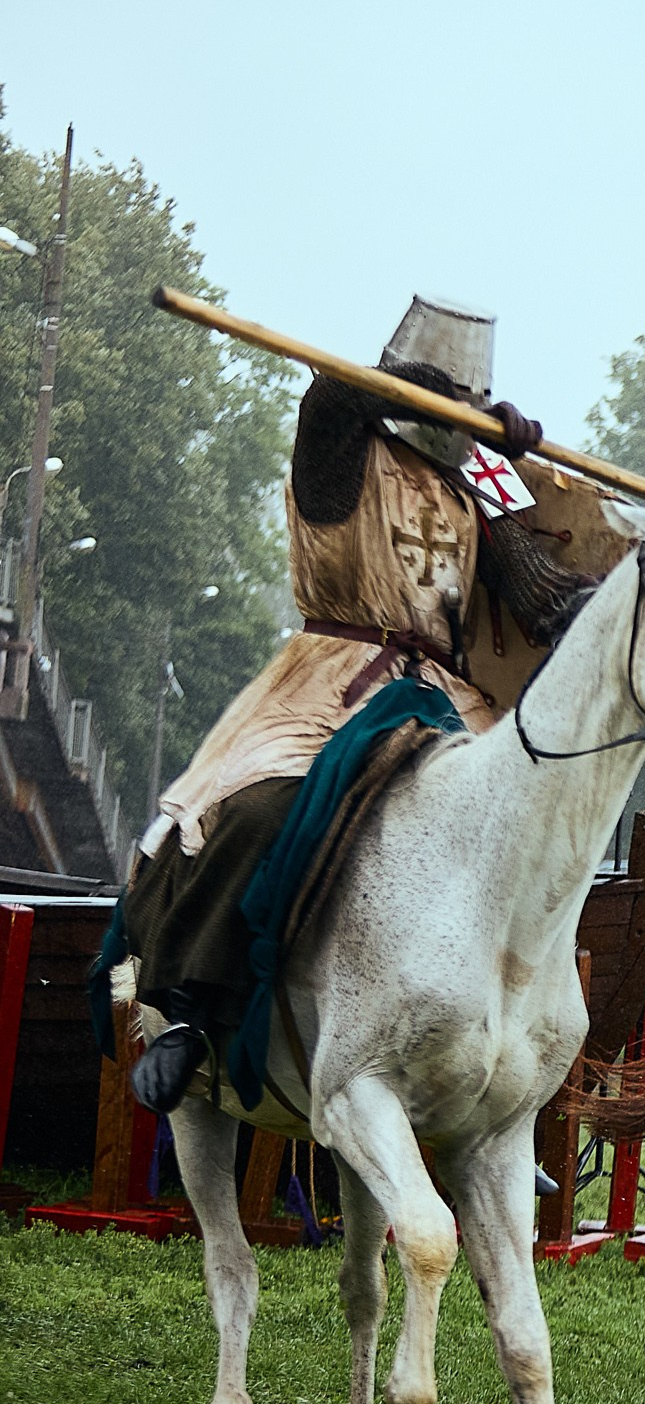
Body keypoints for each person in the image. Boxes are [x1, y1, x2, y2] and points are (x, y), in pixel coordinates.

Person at [124, 296, 583, 1108]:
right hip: (334, 681)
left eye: (473, 398)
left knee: (525, 825)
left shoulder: (477, 484)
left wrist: (620, 608)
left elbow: (541, 597)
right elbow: (333, 397)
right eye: (456, 399)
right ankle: (193, 1009)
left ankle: (499, 1069)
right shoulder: (339, 452)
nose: (464, 414)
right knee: (262, 808)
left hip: (445, 698)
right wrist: (427, 392)